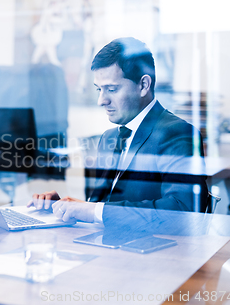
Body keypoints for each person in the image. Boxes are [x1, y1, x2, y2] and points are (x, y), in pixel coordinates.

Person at [28, 37, 208, 224]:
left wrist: (93, 211)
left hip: (153, 250)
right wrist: (66, 208)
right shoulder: (109, 138)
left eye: (111, 89)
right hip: (108, 247)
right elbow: (102, 208)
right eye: (99, 90)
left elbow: (183, 210)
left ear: (143, 85)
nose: (101, 100)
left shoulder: (178, 133)